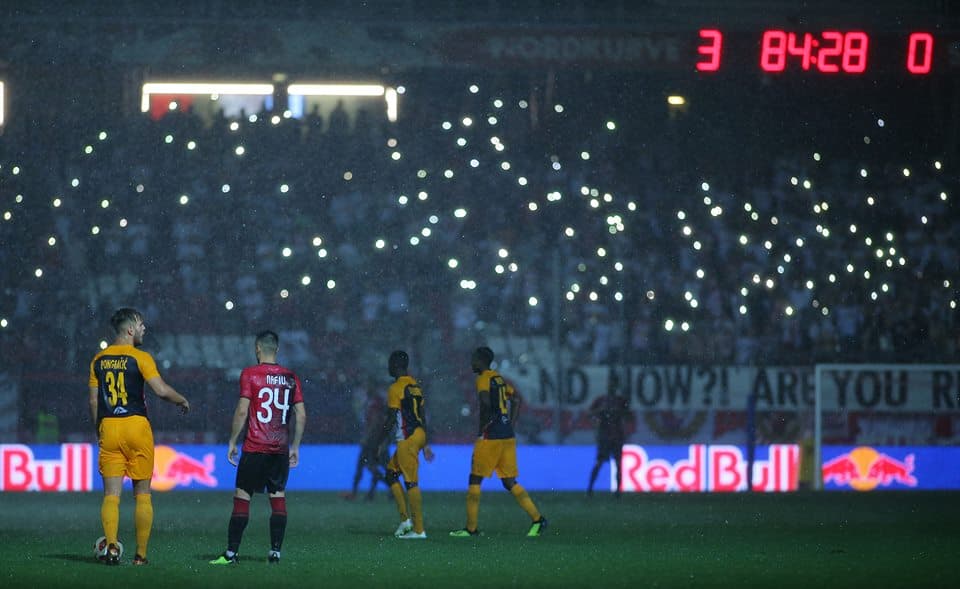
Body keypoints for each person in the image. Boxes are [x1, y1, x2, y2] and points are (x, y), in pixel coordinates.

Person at [88, 307, 191, 566]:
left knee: (111, 495)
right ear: (130, 329)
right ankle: (140, 555)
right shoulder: (140, 357)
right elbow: (161, 390)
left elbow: (93, 401)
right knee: (142, 494)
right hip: (136, 426)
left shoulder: (98, 360)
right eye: (141, 324)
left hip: (109, 426)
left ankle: (112, 547)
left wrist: (99, 429)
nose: (144, 329)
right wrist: (181, 399)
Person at [210, 330, 306, 565]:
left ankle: (231, 554)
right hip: (280, 450)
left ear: (257, 348)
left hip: (255, 448)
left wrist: (232, 441)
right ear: (277, 350)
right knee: (278, 496)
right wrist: (295, 446)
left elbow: (242, 410)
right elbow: (301, 414)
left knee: (243, 496)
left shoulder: (250, 374)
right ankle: (275, 552)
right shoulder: (290, 377)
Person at [450, 347, 548, 538]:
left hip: (491, 436)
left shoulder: (483, 378)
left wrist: (482, 428)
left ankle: (471, 529)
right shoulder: (499, 379)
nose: (472, 363)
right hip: (507, 435)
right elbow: (516, 400)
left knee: (475, 479)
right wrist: (510, 423)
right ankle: (538, 519)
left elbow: (485, 403)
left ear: (481, 361)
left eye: (474, 359)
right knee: (509, 481)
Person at [382, 350, 434, 539]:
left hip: (407, 438)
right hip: (418, 434)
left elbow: (390, 419)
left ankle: (419, 530)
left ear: (395, 365)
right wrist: (425, 443)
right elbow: (422, 416)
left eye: (389, 364)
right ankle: (405, 522)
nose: (388, 367)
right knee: (390, 474)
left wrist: (380, 441)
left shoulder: (395, 388)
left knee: (411, 482)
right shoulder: (415, 386)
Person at [586, 371, 632, 497]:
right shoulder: (602, 400)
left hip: (616, 437)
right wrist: (600, 413)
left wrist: (619, 413)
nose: (611, 386)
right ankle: (590, 489)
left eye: (613, 383)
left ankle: (617, 491)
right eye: (610, 383)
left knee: (617, 464)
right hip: (605, 436)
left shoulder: (620, 401)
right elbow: (590, 414)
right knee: (599, 463)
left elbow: (629, 417)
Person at [343, 386, 391, 501]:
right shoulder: (376, 402)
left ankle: (358, 493)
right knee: (374, 467)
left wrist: (366, 437)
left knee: (368, 467)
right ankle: (370, 493)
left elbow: (375, 422)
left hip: (373, 442)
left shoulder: (375, 404)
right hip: (378, 441)